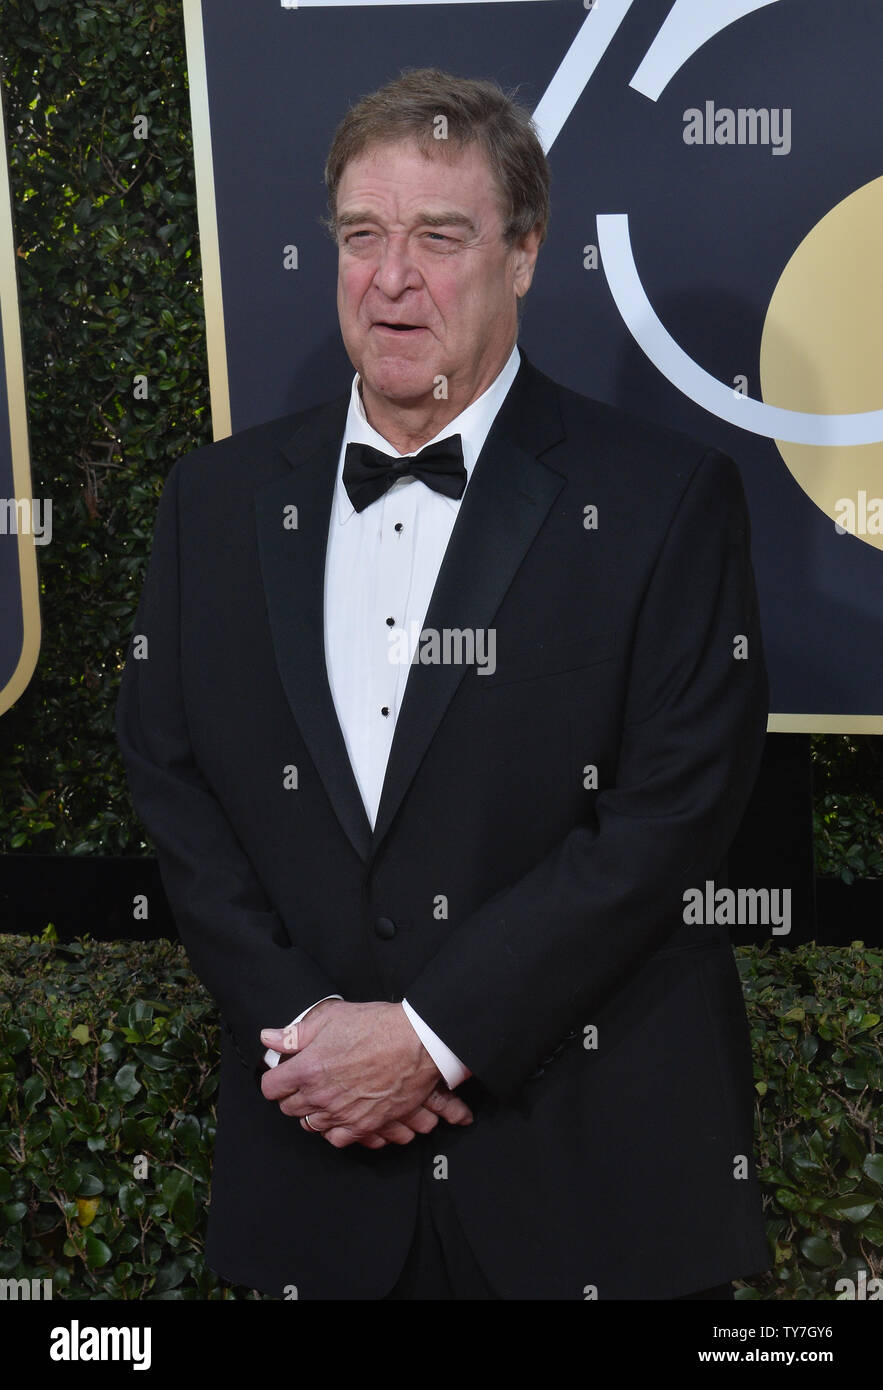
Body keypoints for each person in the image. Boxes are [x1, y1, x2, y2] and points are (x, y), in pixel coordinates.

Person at [115, 67, 771, 1300]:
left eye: (440, 236)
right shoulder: (215, 503)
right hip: (313, 1178)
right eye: (363, 236)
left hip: (586, 1188)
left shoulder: (661, 501)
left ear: (524, 256)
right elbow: (172, 775)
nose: (392, 275)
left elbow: (669, 816)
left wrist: (424, 1039)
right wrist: (312, 1031)